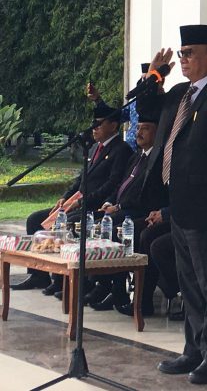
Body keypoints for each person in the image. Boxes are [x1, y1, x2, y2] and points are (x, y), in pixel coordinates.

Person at [139, 24, 207, 385]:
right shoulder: (180, 93)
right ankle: (194, 349)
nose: (182, 59)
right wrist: (153, 76)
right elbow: (147, 109)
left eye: (189, 53)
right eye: (181, 53)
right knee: (190, 283)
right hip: (180, 204)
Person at [13, 104, 133, 294]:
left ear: (113, 125)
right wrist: (65, 197)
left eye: (99, 124)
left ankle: (65, 280)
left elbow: (112, 184)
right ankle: (39, 275)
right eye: (93, 124)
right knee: (35, 220)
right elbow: (80, 179)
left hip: (95, 206)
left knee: (67, 223)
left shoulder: (121, 149)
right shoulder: (94, 148)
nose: (94, 128)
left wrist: (83, 201)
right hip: (77, 201)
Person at [87, 113, 162, 312]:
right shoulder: (137, 156)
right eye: (138, 128)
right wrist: (110, 202)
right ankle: (99, 284)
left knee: (114, 230)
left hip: (141, 211)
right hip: (122, 208)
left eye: (145, 128)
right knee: (95, 224)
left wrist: (119, 207)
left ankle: (118, 290)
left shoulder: (158, 159)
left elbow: (145, 196)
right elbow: (121, 185)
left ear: (158, 132)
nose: (139, 132)